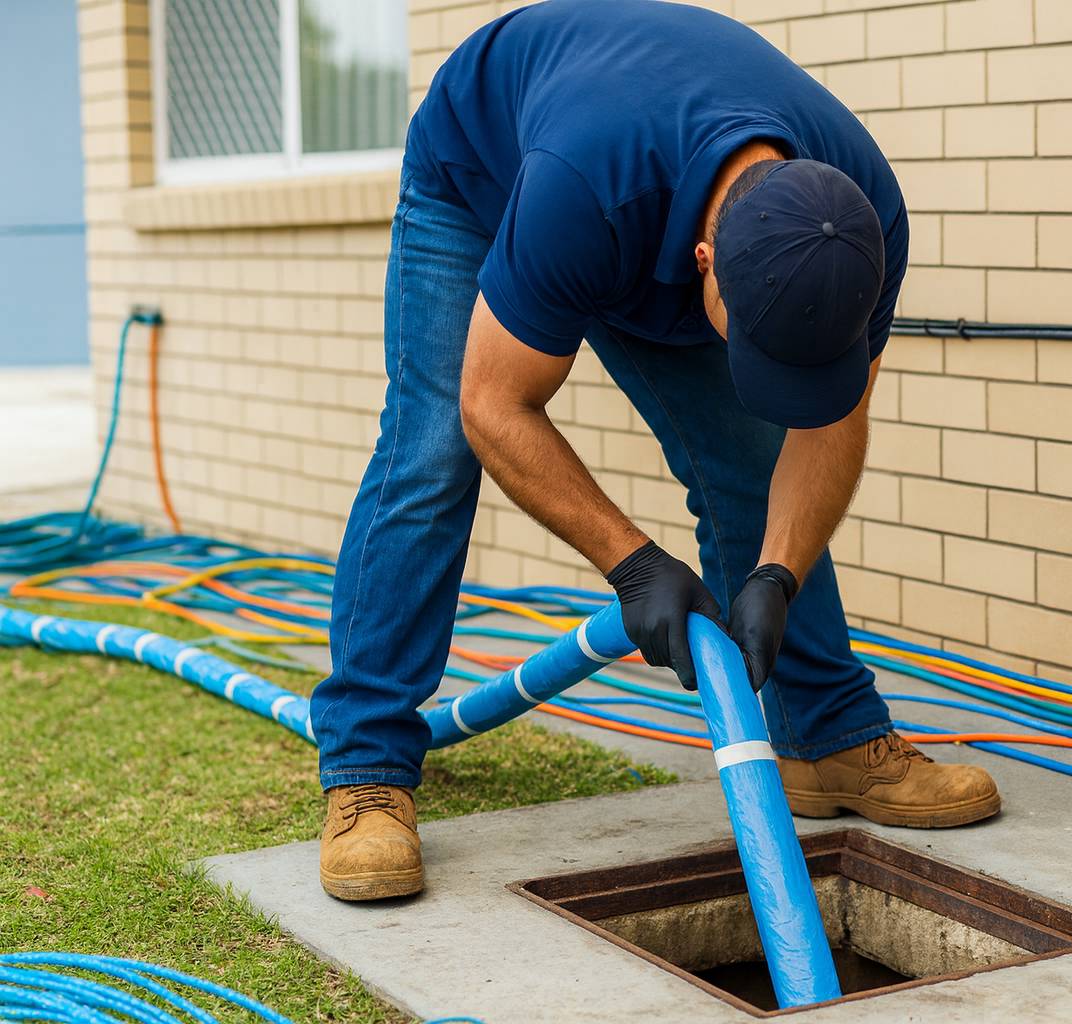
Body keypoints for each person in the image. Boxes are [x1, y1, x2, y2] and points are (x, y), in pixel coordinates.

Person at [308, 0, 1001, 902]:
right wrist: (633, 567)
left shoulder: (860, 221)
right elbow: (495, 404)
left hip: (634, 181)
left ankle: (828, 736)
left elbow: (831, 421)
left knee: (751, 467)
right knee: (432, 454)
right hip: (481, 170)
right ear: (706, 260)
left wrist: (779, 574)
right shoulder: (584, 192)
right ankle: (366, 769)